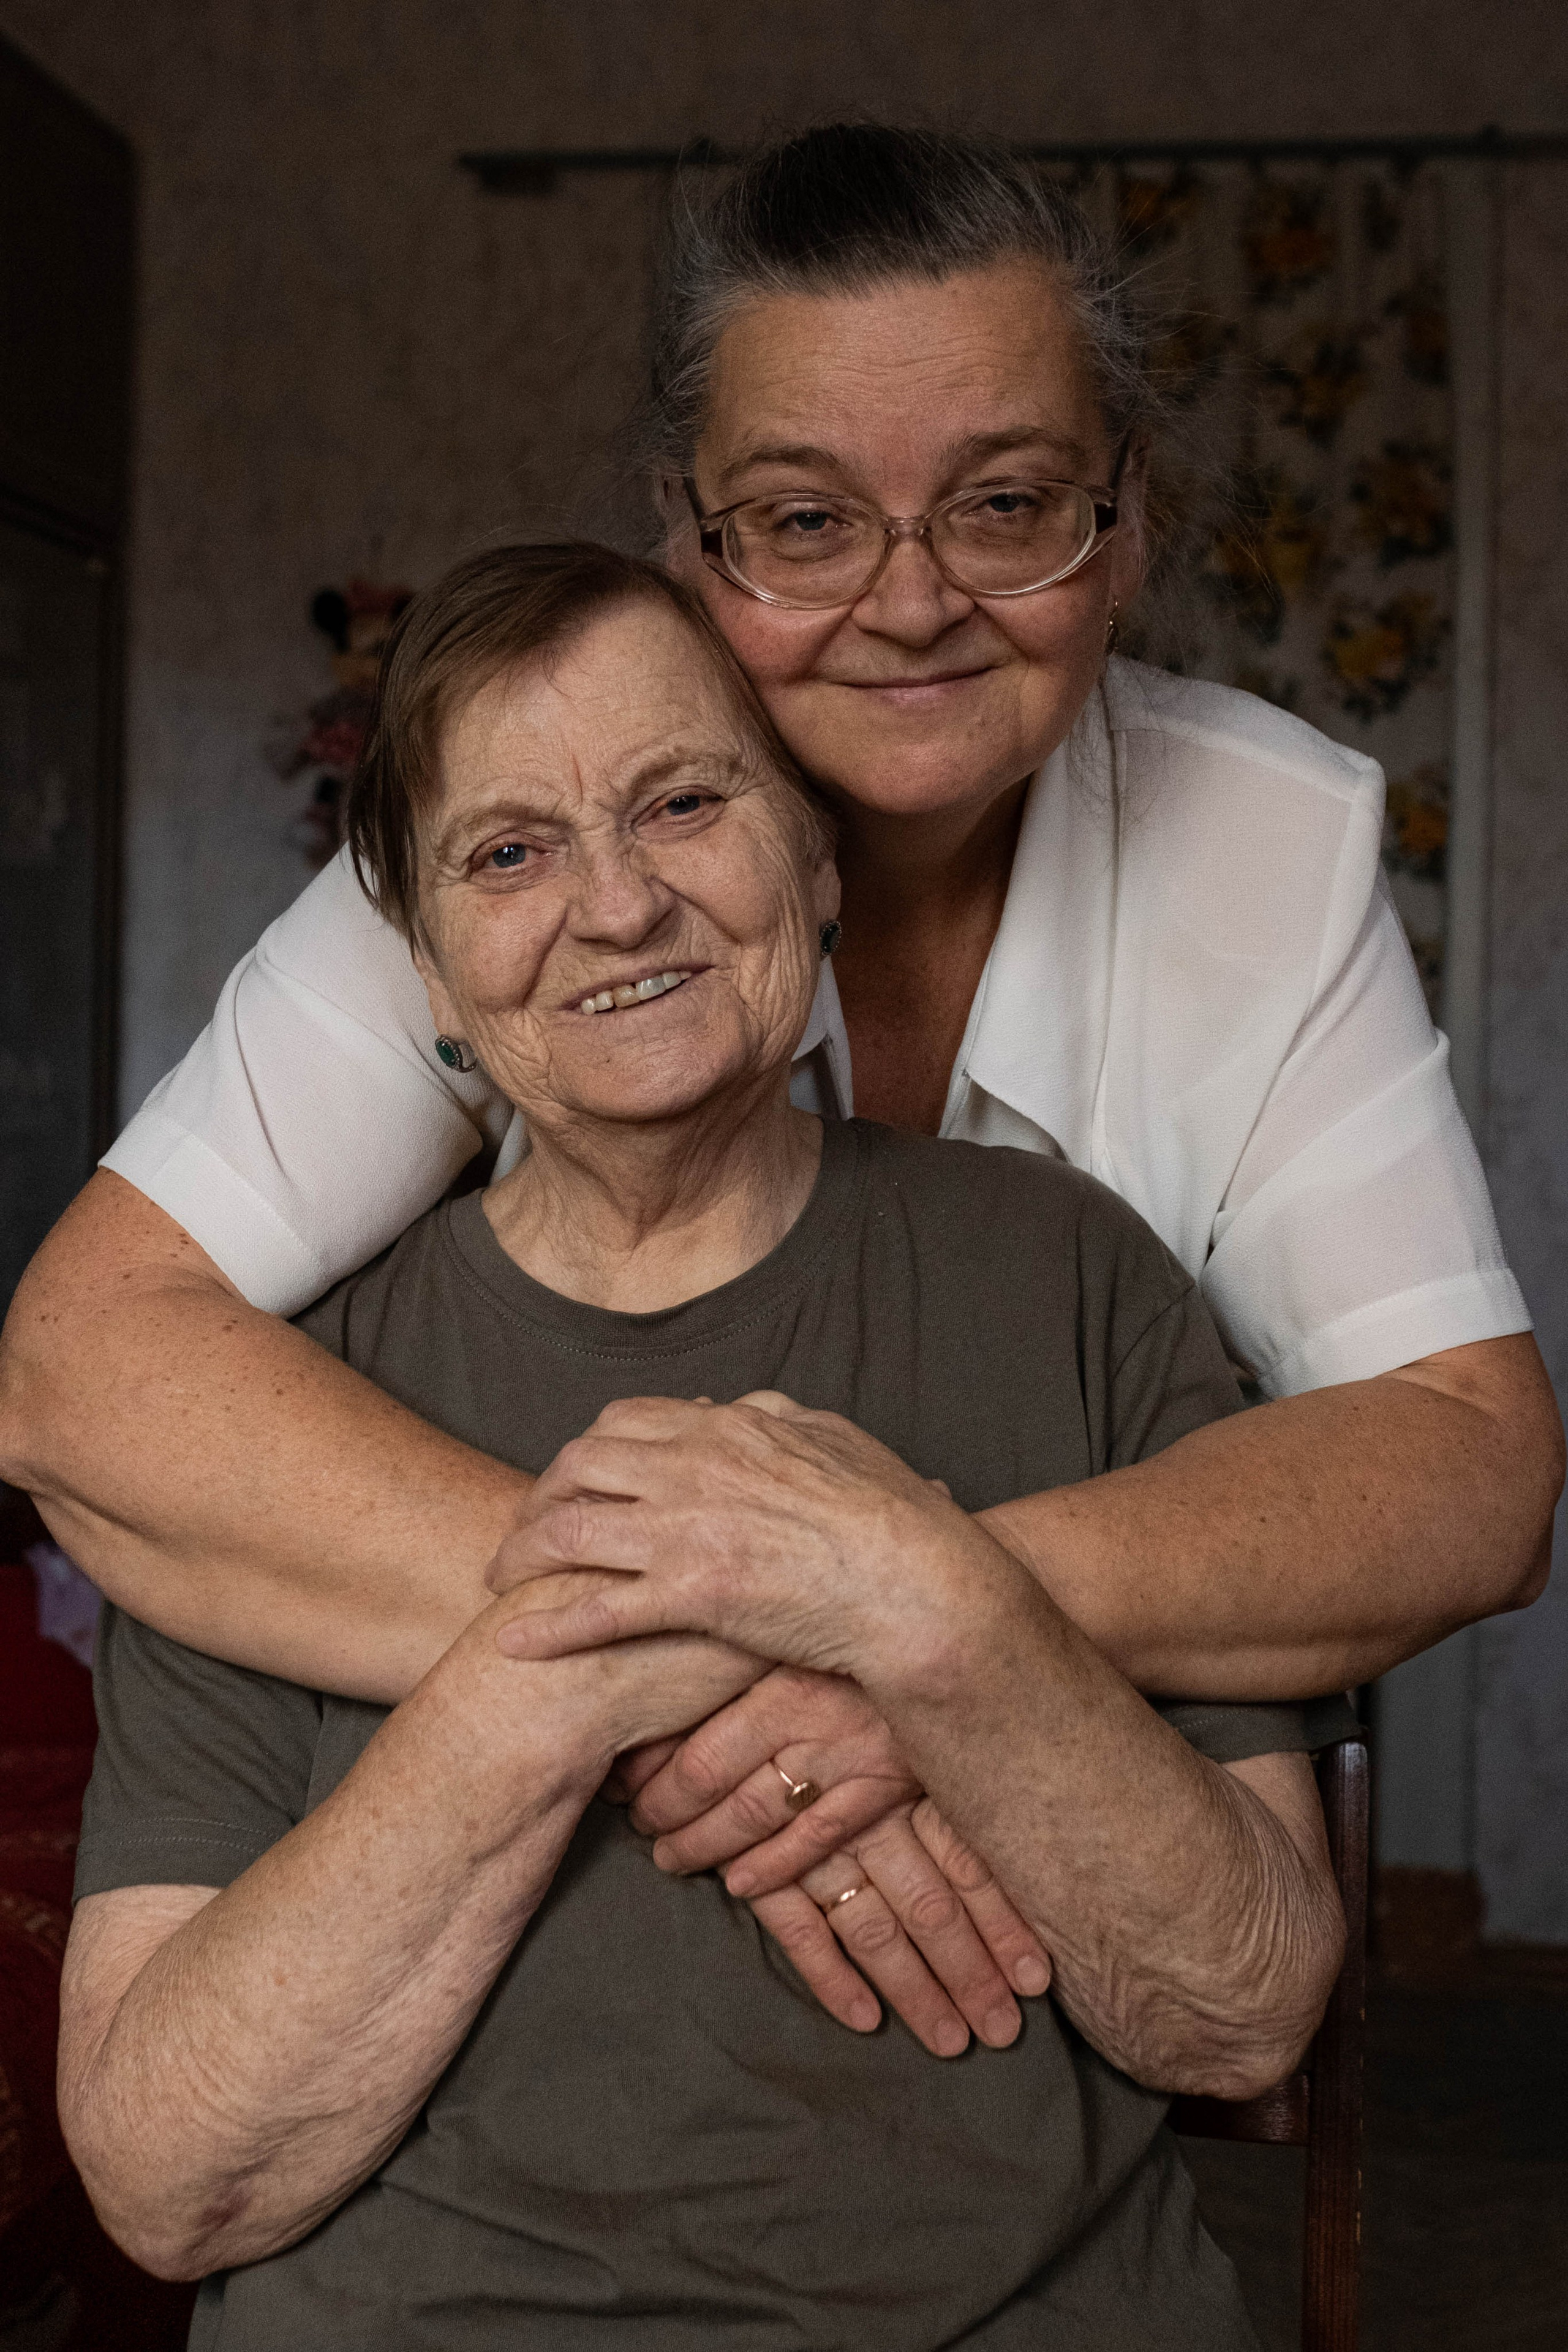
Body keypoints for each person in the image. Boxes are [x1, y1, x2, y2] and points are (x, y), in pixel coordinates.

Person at [1, 126, 1559, 1883]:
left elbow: (1469, 1466)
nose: (911, 605)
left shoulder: (1270, 843)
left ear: (1127, 524)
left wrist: (919, 1621)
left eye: (1006, 504)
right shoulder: (514, 833)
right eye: (808, 521)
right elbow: (81, 1370)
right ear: (688, 540)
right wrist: (700, 1661)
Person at [59, 544, 1346, 2351]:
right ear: (427, 966)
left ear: (816, 858)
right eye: (511, 853)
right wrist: (569, 1660)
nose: (616, 905)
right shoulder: (276, 1410)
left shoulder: (1070, 1275)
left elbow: (1241, 2010)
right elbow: (167, 2175)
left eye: (682, 802)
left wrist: (915, 1595)